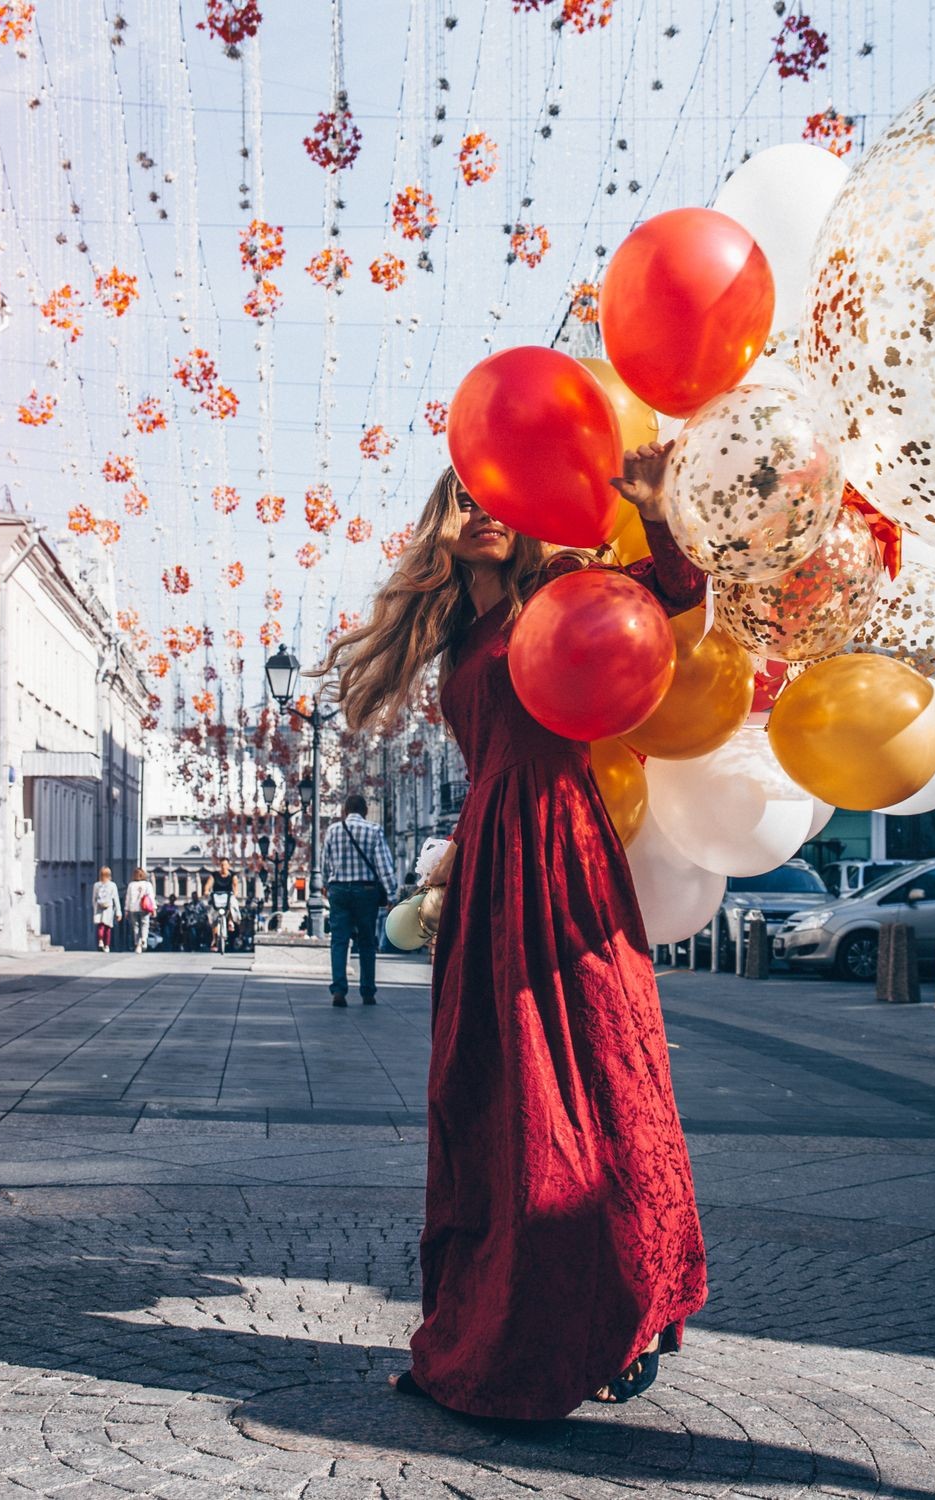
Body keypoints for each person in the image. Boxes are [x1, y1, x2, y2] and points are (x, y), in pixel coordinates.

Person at [311, 446, 707, 1420]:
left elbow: (681, 591)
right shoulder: (457, 635)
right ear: (442, 524)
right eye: (464, 501)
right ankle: (500, 1318)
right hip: (492, 854)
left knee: (599, 1075)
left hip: (560, 845)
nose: (484, 513)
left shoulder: (565, 589)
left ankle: (609, 1304)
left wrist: (655, 508)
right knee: (488, 1092)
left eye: (498, 500)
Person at [320, 793, 396, 1005]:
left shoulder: (333, 831)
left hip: (339, 890)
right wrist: (391, 894)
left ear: (345, 811)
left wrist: (326, 885)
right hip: (366, 891)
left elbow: (324, 863)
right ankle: (368, 991)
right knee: (366, 942)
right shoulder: (374, 830)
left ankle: (339, 990)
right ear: (365, 811)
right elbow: (384, 866)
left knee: (339, 940)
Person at [203, 858, 241, 951]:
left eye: (225, 864)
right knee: (213, 915)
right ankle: (215, 939)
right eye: (221, 865)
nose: (223, 866)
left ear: (228, 865)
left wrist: (235, 894)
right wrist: (206, 891)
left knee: (233, 903)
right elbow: (208, 885)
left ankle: (231, 921)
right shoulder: (214, 875)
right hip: (217, 897)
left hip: (228, 896)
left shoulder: (233, 875)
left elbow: (235, 886)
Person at [124, 867, 155, 953]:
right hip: (144, 908)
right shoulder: (147, 884)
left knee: (136, 927)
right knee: (145, 924)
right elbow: (151, 897)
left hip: (133, 908)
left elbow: (128, 898)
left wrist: (126, 910)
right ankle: (144, 939)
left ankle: (137, 944)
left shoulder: (131, 885)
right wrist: (154, 908)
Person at [92, 867, 122, 952]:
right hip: (108, 908)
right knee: (108, 928)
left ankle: (100, 941)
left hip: (99, 907)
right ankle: (107, 946)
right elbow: (116, 899)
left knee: (100, 926)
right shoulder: (112, 885)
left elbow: (94, 898)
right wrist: (118, 912)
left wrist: (95, 909)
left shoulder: (96, 885)